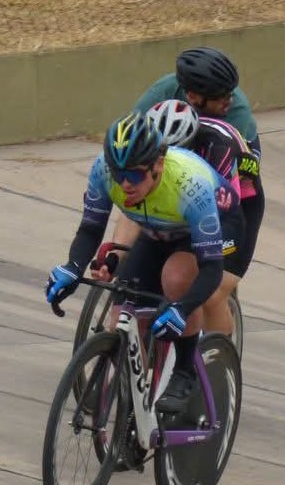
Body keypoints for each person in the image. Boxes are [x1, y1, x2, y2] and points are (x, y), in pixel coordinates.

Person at [45, 111, 238, 416]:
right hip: (156, 229)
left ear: (158, 164)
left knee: (176, 279)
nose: (124, 184)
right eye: (118, 174)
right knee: (122, 312)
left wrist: (182, 308)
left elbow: (211, 269)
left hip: (212, 227)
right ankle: (134, 409)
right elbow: (91, 229)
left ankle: (184, 371)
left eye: (134, 176)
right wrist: (72, 268)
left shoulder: (191, 186)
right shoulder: (103, 171)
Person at [131, 46, 266, 299]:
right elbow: (130, 151)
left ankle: (218, 320)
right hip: (174, 164)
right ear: (193, 96)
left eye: (230, 92)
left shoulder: (236, 113)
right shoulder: (161, 94)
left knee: (211, 293)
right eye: (221, 96)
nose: (229, 100)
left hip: (230, 185)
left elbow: (224, 196)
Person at [142, 98, 258, 335]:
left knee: (210, 294)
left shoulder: (218, 151)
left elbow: (223, 215)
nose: (166, 162)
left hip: (233, 209)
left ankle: (216, 355)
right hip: (185, 209)